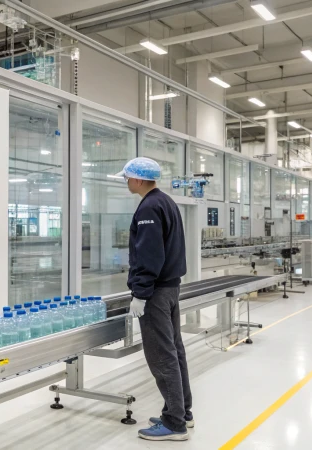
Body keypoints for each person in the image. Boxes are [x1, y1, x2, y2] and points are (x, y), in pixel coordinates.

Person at [117, 157, 193, 441]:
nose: (126, 183)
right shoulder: (166, 202)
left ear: (137, 179)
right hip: (171, 287)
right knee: (174, 350)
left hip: (157, 293)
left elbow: (150, 254)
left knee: (162, 355)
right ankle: (182, 410)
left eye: (127, 178)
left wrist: (140, 293)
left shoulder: (149, 207)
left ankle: (174, 424)